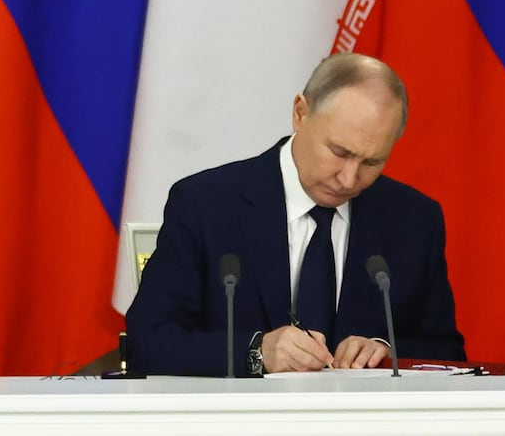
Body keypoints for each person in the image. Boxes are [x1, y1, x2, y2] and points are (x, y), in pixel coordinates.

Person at [126, 52, 465, 376]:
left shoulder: (414, 221)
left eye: (371, 162)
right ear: (300, 114)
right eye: (339, 152)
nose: (348, 179)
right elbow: (149, 341)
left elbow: (448, 353)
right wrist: (256, 352)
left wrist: (386, 351)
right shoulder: (206, 205)